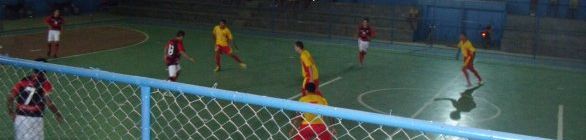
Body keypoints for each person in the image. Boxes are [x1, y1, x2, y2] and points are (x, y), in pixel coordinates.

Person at [7, 58, 64, 140]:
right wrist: (57, 113)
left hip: (20, 117)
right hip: (35, 118)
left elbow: (10, 97)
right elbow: (48, 102)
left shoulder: (24, 80)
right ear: (46, 70)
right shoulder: (45, 83)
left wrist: (11, 112)